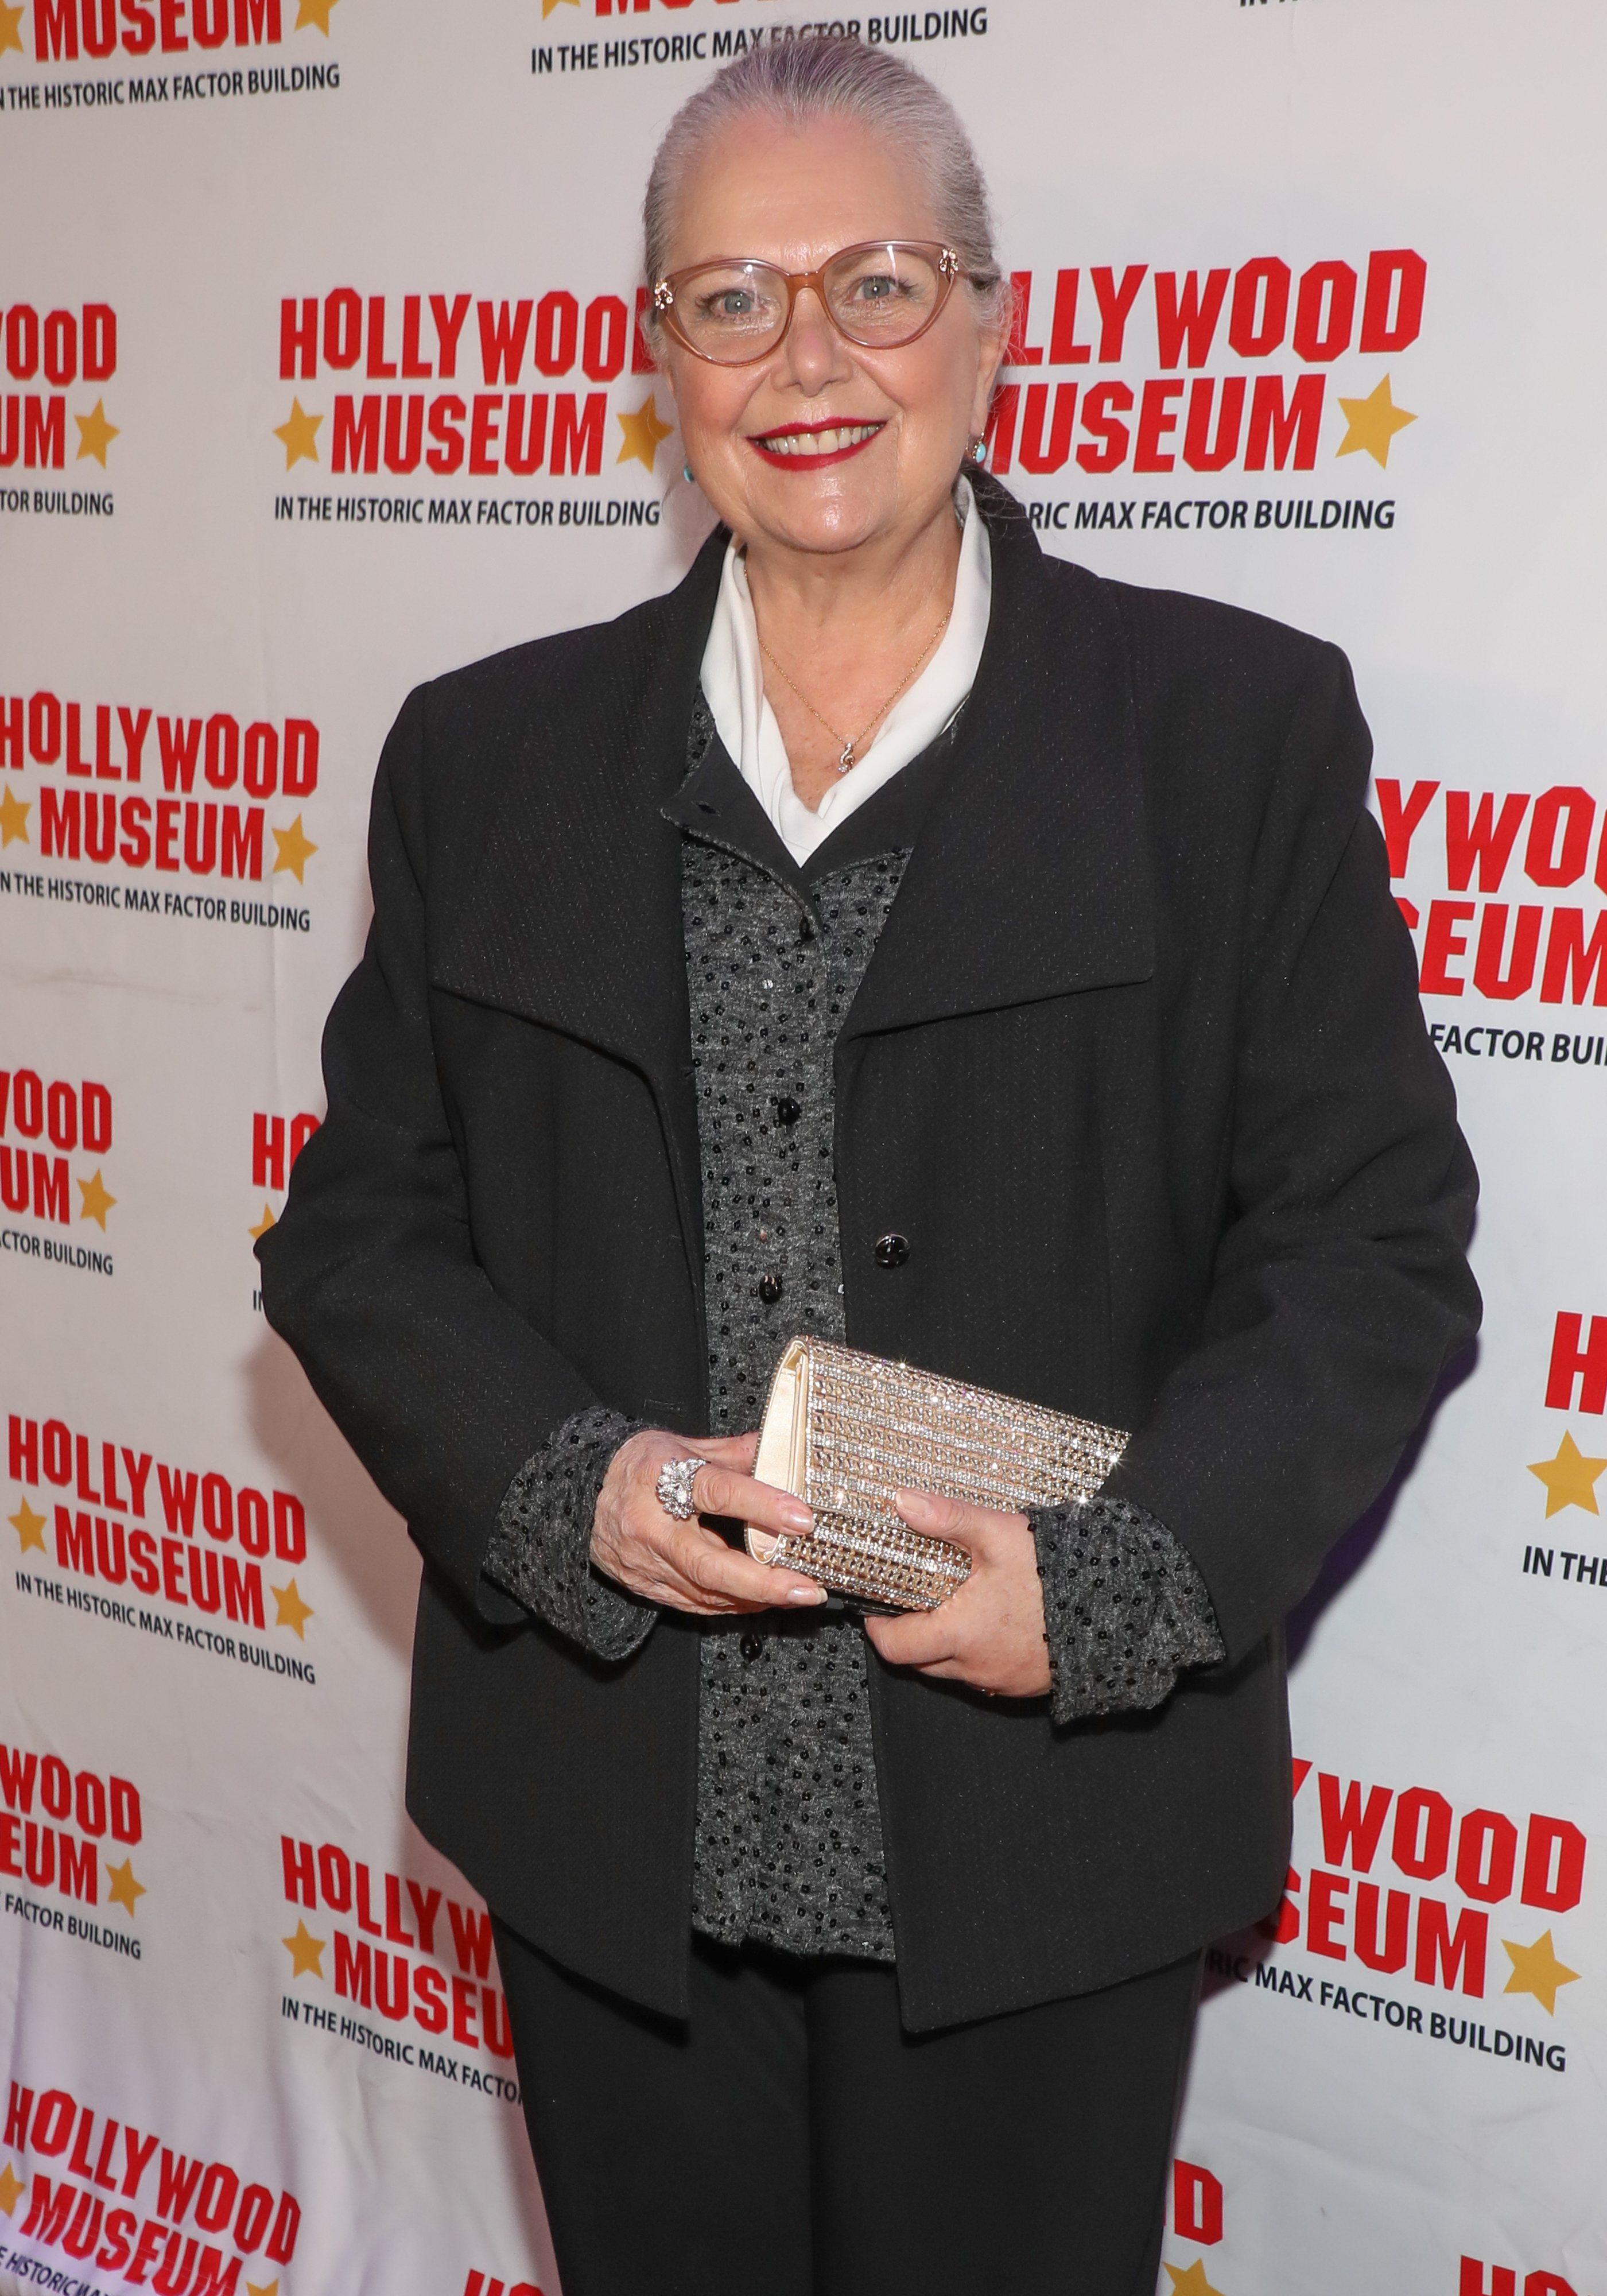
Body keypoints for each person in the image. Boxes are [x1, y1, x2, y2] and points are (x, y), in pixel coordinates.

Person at [257, 38, 1480, 2296]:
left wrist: (1113, 1577)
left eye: (875, 284)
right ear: (655, 358)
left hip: (1042, 1846)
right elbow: (362, 1232)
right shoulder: (484, 756)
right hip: (613, 1824)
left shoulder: (1224, 736)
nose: (805, 358)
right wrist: (567, 1482)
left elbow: (1368, 1252)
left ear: (994, 320)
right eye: (731, 298)